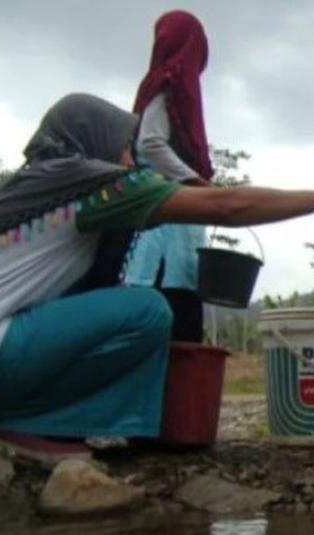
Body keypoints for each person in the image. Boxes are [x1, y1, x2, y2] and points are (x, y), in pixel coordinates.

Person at [0, 93, 314, 464]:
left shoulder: (25, 190)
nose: (133, 163)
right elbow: (227, 205)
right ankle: (31, 426)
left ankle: (6, 422)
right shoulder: (91, 183)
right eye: (128, 150)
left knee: (98, 311)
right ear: (98, 146)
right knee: (146, 310)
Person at [123, 10, 215, 342]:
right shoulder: (170, 83)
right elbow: (149, 144)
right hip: (167, 217)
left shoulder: (166, 86)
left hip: (178, 217)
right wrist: (197, 183)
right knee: (173, 314)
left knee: (180, 302)